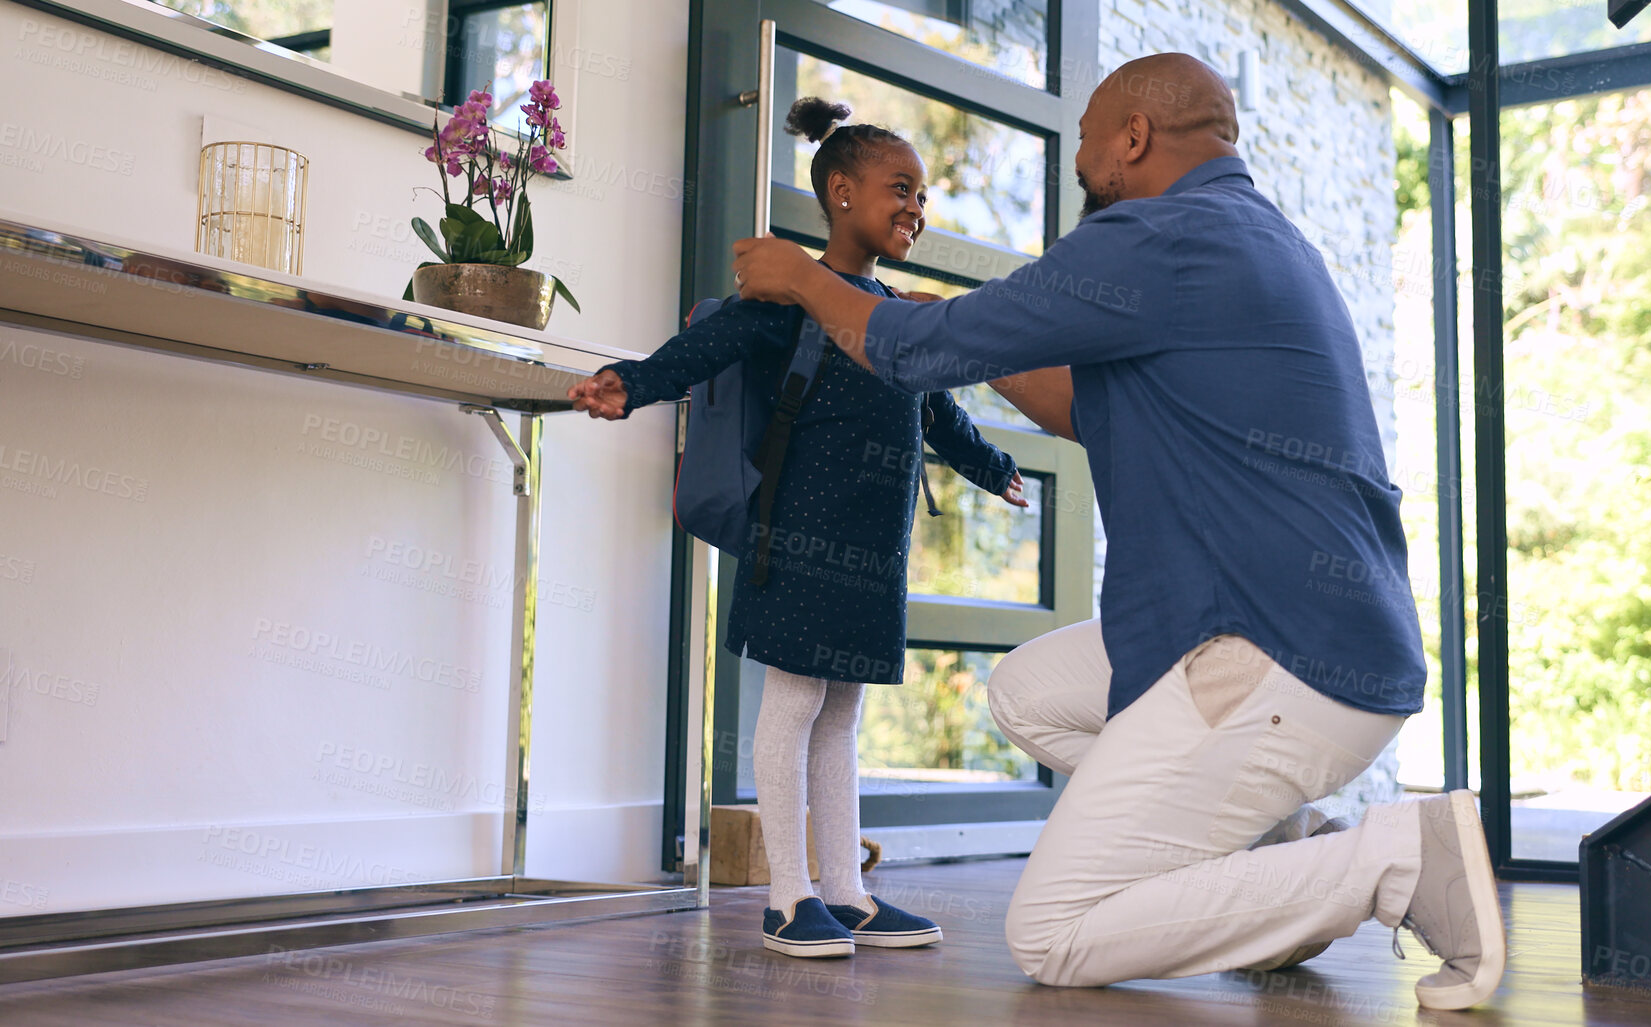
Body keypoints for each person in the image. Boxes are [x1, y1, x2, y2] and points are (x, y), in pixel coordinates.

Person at [727, 54, 1507, 1009]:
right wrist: (967, 346)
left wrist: (803, 280)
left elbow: (907, 351)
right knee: (1027, 692)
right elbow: (1077, 409)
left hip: (1274, 653)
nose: (1083, 162)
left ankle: (1389, 859)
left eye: (1090, 139)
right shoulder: (1252, 238)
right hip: (1316, 639)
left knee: (1052, 930)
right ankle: (1275, 851)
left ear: (1132, 138)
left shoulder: (1152, 236)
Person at [568, 97, 1029, 959]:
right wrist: (629, 383)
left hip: (872, 540)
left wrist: (994, 468)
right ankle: (789, 897)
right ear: (842, 193)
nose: (915, 208)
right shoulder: (791, 295)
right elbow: (702, 348)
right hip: (797, 531)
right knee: (794, 702)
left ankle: (847, 891)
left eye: (922, 196)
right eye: (900, 188)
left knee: (842, 709)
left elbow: (938, 410)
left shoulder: (893, 311)